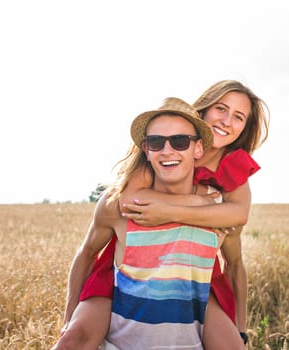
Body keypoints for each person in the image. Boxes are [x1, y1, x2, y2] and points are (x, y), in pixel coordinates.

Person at [54, 80, 269, 349]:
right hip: (128, 265)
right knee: (76, 336)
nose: (168, 150)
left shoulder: (231, 168)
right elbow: (130, 200)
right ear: (203, 110)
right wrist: (200, 204)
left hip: (196, 268)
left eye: (238, 117)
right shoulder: (152, 161)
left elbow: (238, 215)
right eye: (221, 109)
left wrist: (182, 208)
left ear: (197, 147)